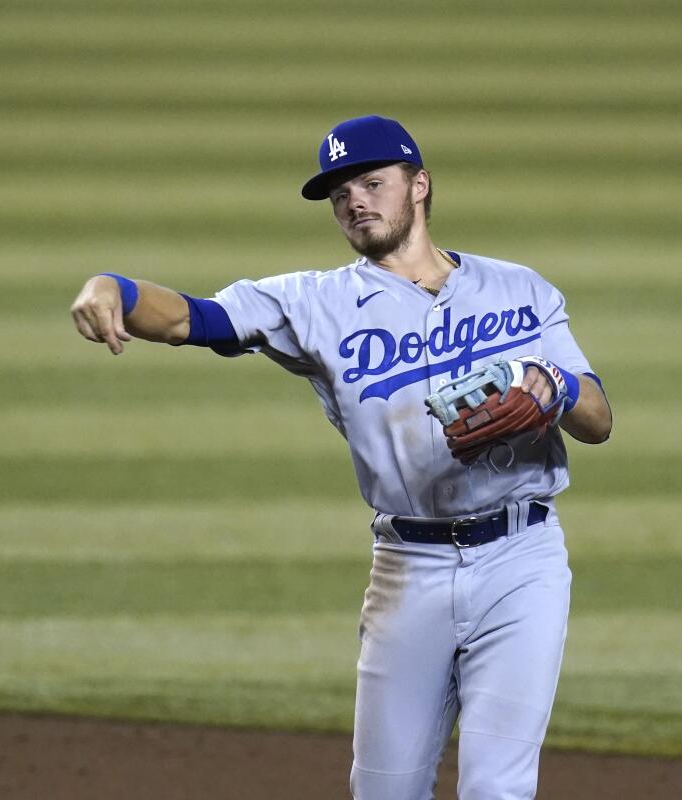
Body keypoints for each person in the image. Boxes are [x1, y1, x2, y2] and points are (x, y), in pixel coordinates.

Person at [71, 115, 612, 800]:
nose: (355, 200)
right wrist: (112, 288)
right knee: (384, 792)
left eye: (371, 182)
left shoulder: (520, 289)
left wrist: (557, 389)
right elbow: (191, 318)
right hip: (409, 570)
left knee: (496, 789)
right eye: (340, 193)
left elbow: (598, 419)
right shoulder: (314, 303)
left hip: (522, 562)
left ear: (420, 186)